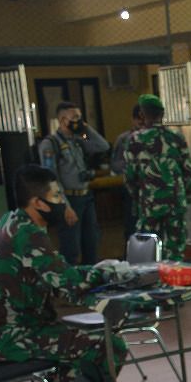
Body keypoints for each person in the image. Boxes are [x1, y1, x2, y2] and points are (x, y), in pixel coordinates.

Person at [0, 165, 128, 382]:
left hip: (5, 330)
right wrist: (106, 272)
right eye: (57, 196)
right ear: (38, 202)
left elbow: (57, 273)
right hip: (13, 336)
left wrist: (96, 270)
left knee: (79, 343)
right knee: (109, 345)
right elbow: (69, 286)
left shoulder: (12, 221)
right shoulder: (29, 234)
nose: (62, 202)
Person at [37, 102, 109, 266]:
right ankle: (71, 285)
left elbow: (102, 146)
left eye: (80, 117)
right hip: (69, 199)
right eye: (75, 117)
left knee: (91, 243)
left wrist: (85, 127)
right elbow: (51, 178)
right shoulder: (50, 144)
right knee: (71, 248)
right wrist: (66, 206)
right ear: (62, 120)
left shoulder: (77, 140)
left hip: (86, 197)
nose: (79, 121)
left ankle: (90, 281)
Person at [124, 94, 191, 261]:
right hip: (176, 200)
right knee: (175, 248)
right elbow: (188, 170)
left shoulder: (135, 139)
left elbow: (130, 176)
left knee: (147, 246)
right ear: (162, 114)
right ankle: (174, 280)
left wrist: (137, 197)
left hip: (150, 202)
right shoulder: (176, 137)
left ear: (142, 114)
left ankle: (151, 280)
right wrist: (186, 197)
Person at [110, 104, 144, 241]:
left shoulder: (154, 137)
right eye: (138, 120)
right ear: (133, 120)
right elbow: (115, 164)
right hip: (133, 190)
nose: (141, 124)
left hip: (153, 190)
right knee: (132, 228)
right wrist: (132, 166)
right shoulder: (124, 139)